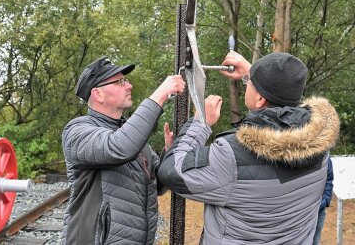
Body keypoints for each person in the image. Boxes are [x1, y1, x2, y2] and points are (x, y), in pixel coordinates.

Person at [158, 51, 340, 244]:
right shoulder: (320, 145)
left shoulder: (232, 156)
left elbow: (171, 171)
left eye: (249, 83)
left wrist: (200, 123)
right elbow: (288, 108)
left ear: (260, 99)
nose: (246, 84)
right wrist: (254, 75)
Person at [61, 56, 185, 244]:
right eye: (120, 82)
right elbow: (119, 147)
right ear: (98, 94)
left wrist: (168, 150)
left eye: (125, 80)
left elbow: (158, 185)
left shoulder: (130, 135)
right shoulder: (77, 131)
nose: (128, 86)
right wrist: (160, 95)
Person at [313, 156, 334, 245]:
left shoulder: (325, 157)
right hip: (297, 214)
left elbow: (329, 181)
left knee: (315, 240)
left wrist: (324, 202)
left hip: (319, 210)